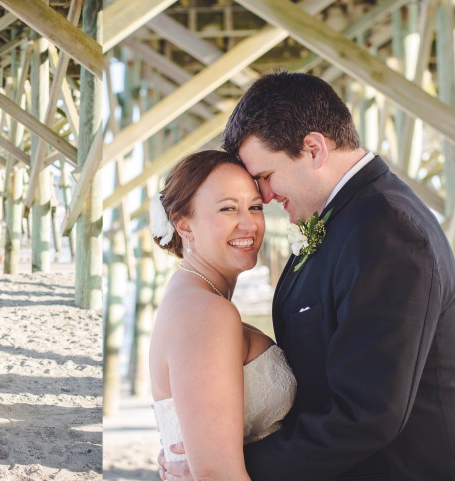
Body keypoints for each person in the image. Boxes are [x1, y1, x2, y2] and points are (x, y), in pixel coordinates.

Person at [159, 72, 455, 480]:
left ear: (313, 148)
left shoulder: (386, 228)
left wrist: (232, 465)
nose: (263, 198)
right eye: (229, 207)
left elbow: (369, 412)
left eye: (264, 178)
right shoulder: (349, 220)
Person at [149, 150, 296, 481]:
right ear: (184, 225)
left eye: (255, 206)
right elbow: (217, 474)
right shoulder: (207, 313)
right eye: (228, 208)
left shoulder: (193, 297)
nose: (249, 223)